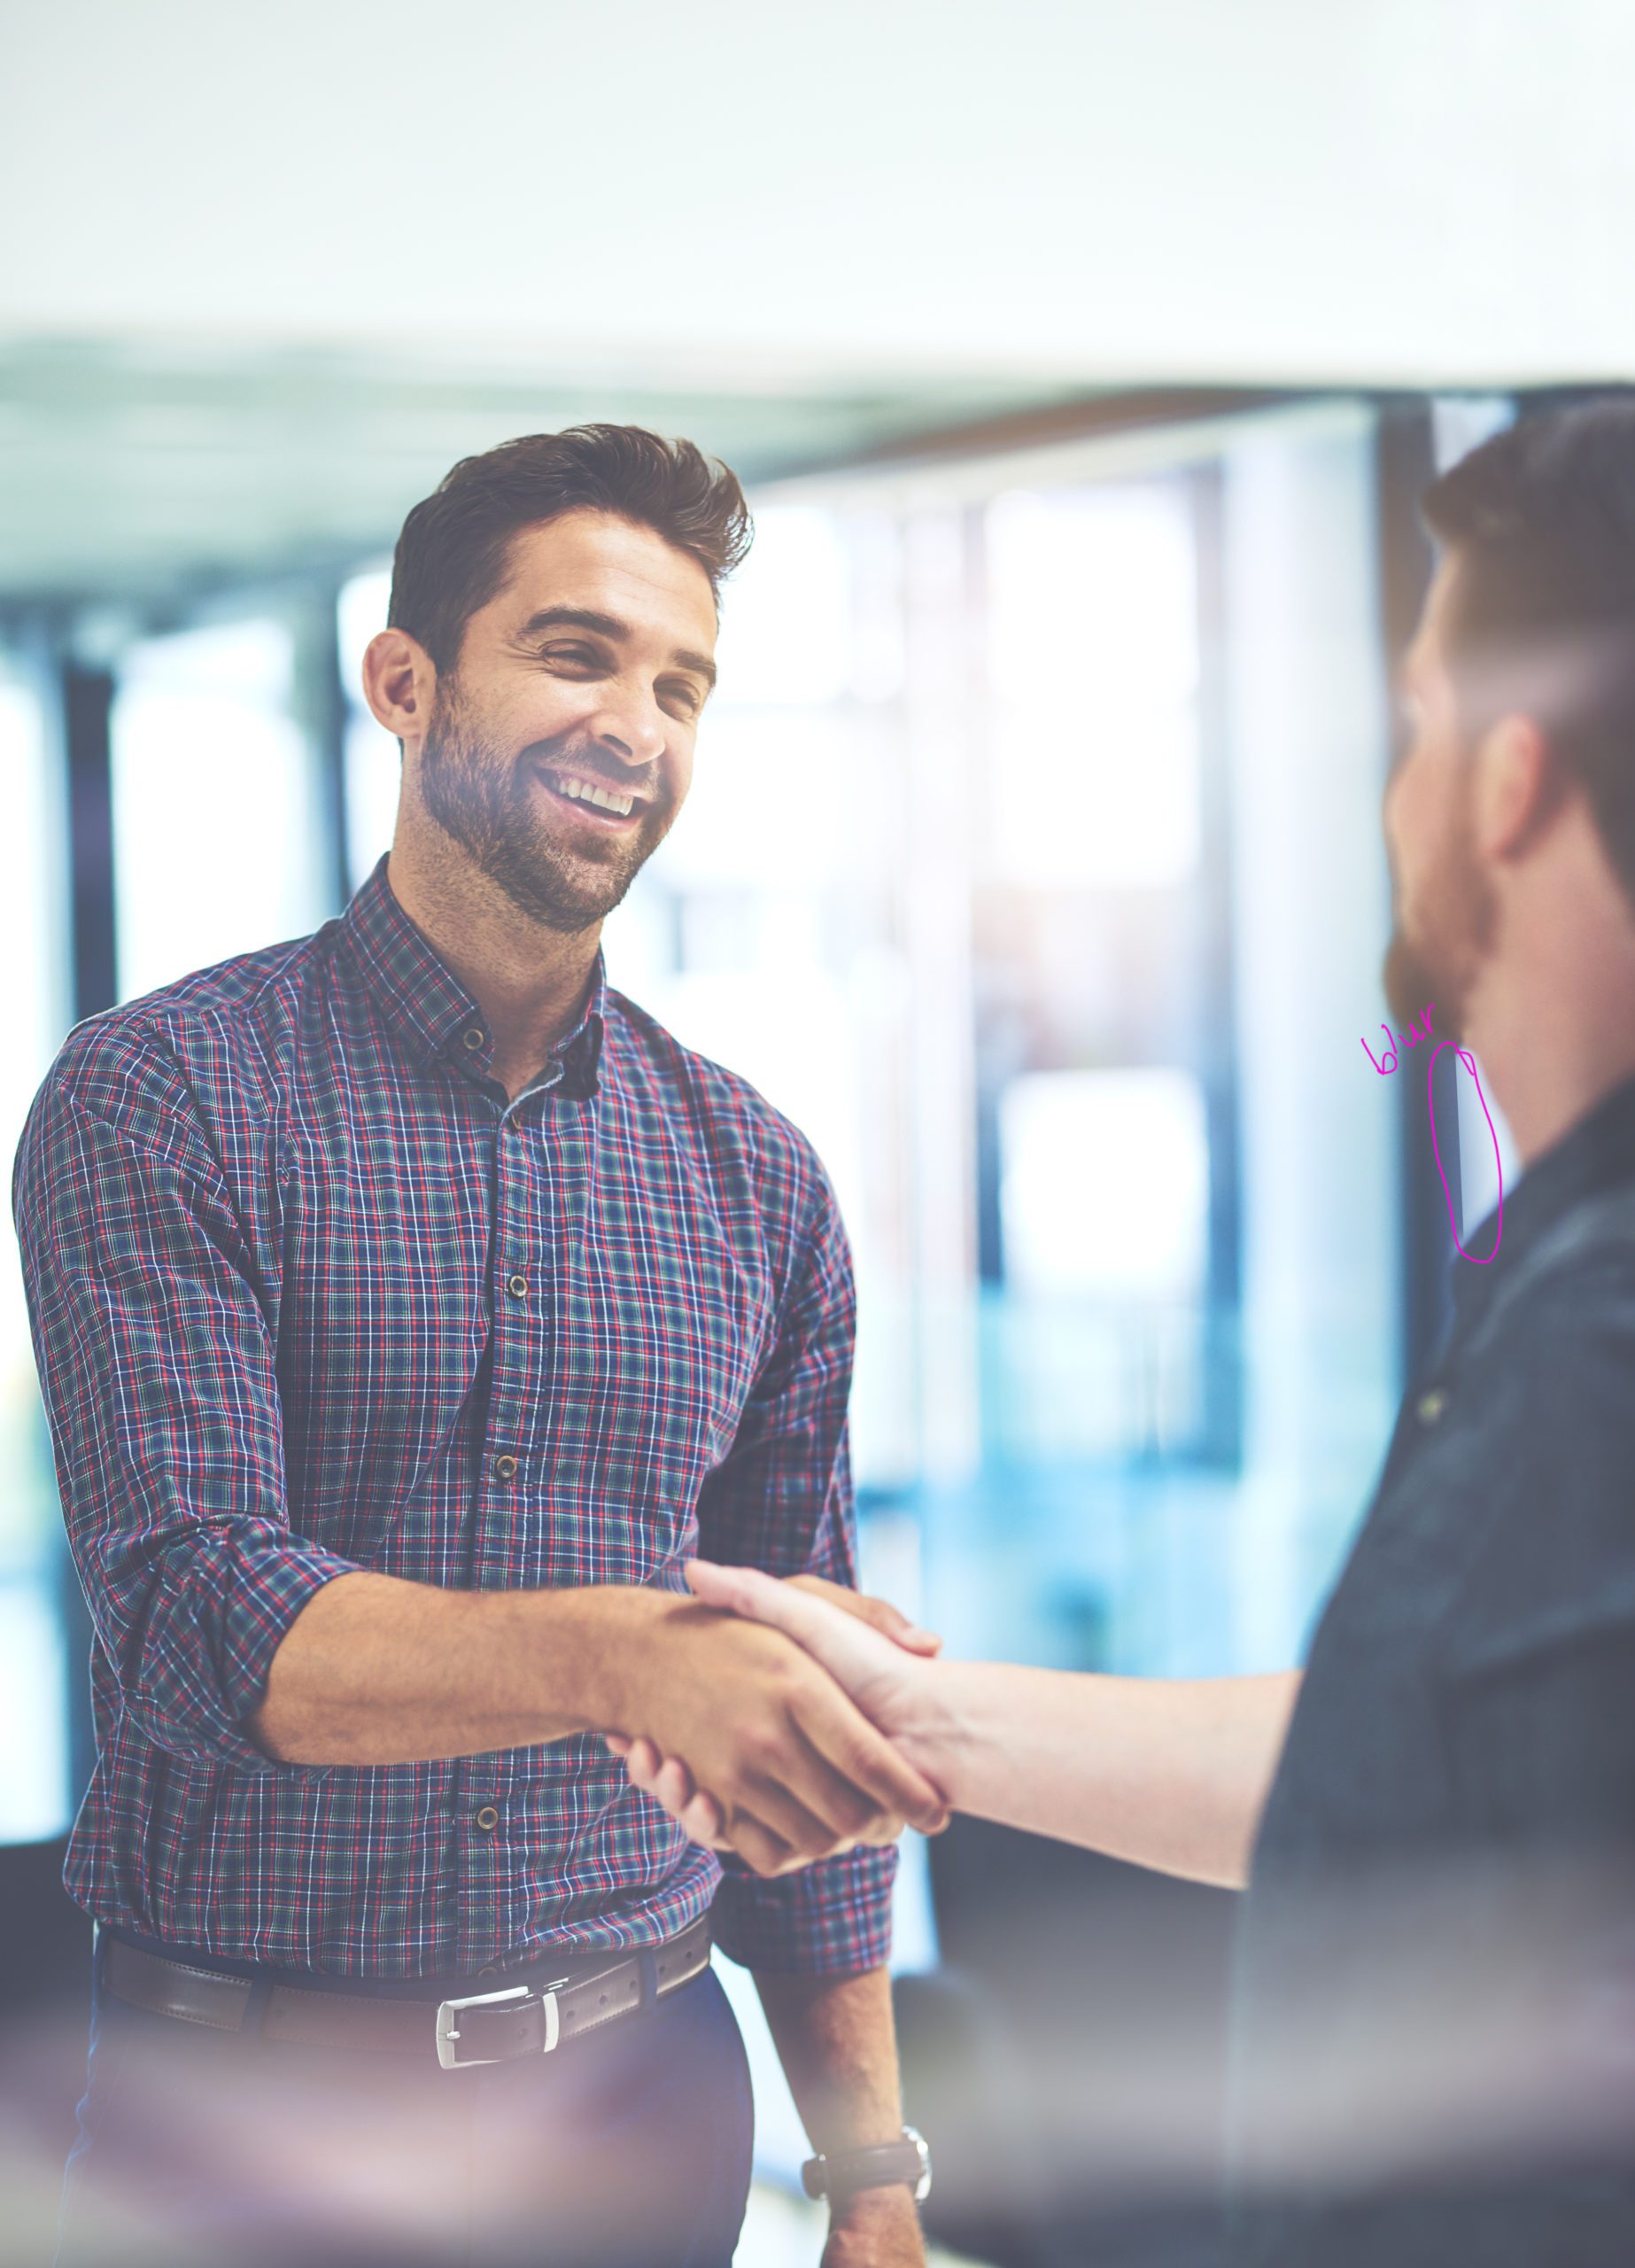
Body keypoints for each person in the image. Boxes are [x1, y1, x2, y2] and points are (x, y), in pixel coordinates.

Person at [615, 398, 1635, 2267]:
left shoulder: (1602, 1337)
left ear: (1499, 782)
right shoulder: (1549, 1282)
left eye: (1408, 726)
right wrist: (916, 1722)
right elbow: (1402, 1766)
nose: (1388, 795)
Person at [14, 424, 949, 2268]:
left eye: (681, 683)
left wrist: (873, 2168)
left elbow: (803, 1725)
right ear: (404, 680)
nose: (637, 725)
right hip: (242, 2116)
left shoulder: (753, 1175)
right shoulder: (160, 1099)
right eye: (577, 652)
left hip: (640, 2100)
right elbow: (206, 1617)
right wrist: (622, 1654)